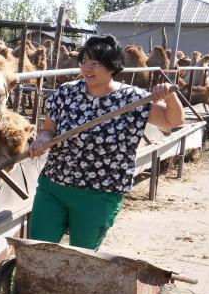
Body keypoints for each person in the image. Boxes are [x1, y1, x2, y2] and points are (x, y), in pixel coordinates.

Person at [28, 34, 183, 250]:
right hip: (54, 185)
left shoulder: (132, 99)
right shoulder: (65, 93)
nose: (87, 68)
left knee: (83, 256)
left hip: (100, 193)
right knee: (36, 249)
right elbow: (48, 131)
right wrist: (41, 141)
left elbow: (173, 121)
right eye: (84, 62)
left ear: (112, 66)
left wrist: (169, 97)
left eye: (95, 63)